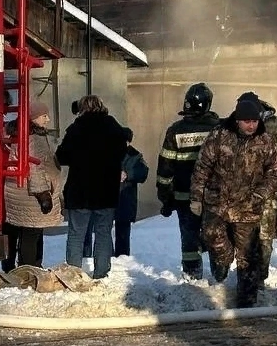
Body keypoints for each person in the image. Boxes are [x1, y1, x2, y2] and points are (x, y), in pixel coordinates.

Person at [189, 98, 277, 307]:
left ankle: (247, 302)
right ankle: (223, 261)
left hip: (248, 207)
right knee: (211, 235)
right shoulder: (219, 136)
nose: (251, 126)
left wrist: (262, 193)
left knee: (248, 257)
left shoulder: (265, 141)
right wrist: (196, 197)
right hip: (218, 203)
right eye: (247, 121)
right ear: (237, 120)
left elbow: (276, 171)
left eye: (255, 121)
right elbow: (202, 167)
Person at [55, 95, 127, 280]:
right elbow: (122, 152)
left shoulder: (76, 128)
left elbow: (62, 156)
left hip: (80, 192)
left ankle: (73, 274)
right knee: (103, 233)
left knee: (76, 234)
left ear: (82, 109)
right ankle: (101, 272)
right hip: (106, 191)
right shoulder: (113, 127)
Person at [156, 82, 219, 280]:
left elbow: (165, 167)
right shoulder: (218, 129)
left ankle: (192, 276)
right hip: (214, 196)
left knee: (189, 236)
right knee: (216, 235)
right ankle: (220, 274)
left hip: (185, 197)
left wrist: (165, 196)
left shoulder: (175, 131)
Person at [237, 91, 277, 282]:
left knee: (264, 238)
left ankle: (259, 277)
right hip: (241, 195)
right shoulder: (235, 128)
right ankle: (245, 277)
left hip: (269, 193)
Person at [2, 101, 62, 272]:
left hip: (18, 191)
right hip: (32, 194)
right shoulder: (33, 137)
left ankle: (18, 267)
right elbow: (35, 167)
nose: (48, 119)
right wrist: (43, 194)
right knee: (32, 232)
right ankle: (30, 269)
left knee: (21, 231)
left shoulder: (22, 133)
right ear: (34, 117)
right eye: (44, 116)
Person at [113, 128, 149, 257]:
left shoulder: (135, 155)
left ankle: (122, 256)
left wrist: (128, 174)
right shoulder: (109, 152)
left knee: (123, 229)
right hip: (109, 197)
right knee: (103, 230)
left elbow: (143, 172)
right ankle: (106, 256)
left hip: (125, 198)